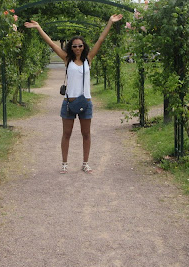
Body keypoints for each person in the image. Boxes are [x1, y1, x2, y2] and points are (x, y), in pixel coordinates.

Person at [24, 14, 123, 174]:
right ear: (71, 47)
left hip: (85, 103)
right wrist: (38, 28)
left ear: (84, 47)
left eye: (80, 46)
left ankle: (85, 163)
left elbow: (100, 40)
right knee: (67, 134)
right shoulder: (67, 59)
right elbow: (50, 42)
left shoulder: (88, 60)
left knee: (86, 134)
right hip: (69, 103)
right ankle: (64, 163)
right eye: (75, 46)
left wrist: (110, 23)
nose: (77, 48)